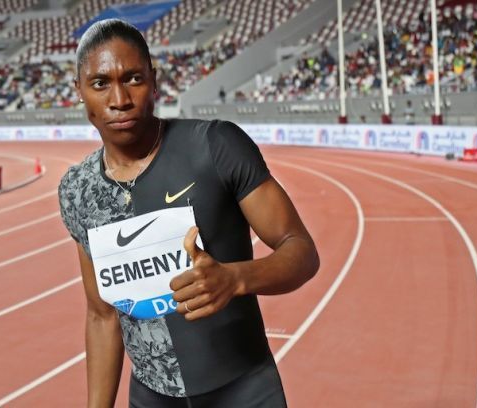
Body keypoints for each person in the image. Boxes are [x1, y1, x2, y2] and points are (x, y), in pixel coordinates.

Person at [58, 19, 319, 408]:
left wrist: (235, 278)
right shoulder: (78, 191)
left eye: (133, 78)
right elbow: (101, 316)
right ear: (79, 90)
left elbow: (301, 251)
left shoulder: (215, 145)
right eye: (100, 83)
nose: (119, 99)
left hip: (243, 390)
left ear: (154, 79)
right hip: (151, 397)